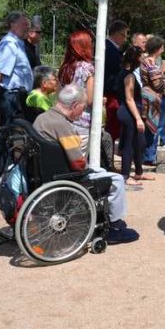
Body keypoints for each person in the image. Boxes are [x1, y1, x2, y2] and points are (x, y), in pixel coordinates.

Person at [33, 84, 139, 244]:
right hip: (67, 175)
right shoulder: (61, 125)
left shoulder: (42, 118)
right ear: (74, 105)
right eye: (82, 108)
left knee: (101, 170)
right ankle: (115, 228)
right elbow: (78, 162)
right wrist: (87, 168)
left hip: (45, 170)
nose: (82, 112)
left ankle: (110, 218)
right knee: (116, 180)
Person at [0, 11, 33, 180]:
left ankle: (7, 173)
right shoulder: (10, 45)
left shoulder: (17, 43)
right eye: (24, 24)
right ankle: (0, 175)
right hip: (8, 97)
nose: (28, 28)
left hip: (14, 97)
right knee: (6, 135)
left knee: (11, 134)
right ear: (13, 25)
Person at [116, 46, 153, 186]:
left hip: (132, 110)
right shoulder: (129, 76)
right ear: (136, 58)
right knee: (129, 143)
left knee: (140, 142)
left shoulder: (130, 73)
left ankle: (138, 172)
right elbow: (129, 98)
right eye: (141, 56)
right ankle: (125, 176)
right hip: (128, 111)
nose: (144, 59)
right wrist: (138, 118)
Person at [58, 30, 95, 154]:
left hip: (64, 119)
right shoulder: (87, 68)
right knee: (79, 159)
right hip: (82, 121)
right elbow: (90, 99)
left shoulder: (64, 68)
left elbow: (59, 95)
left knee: (66, 157)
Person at [141, 36, 165, 166]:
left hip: (152, 96)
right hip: (151, 98)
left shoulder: (149, 61)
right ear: (157, 48)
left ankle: (149, 155)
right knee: (152, 127)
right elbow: (157, 83)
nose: (163, 48)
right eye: (162, 46)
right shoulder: (150, 62)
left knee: (151, 126)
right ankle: (149, 157)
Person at [104, 20, 129, 146]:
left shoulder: (112, 49)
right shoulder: (110, 49)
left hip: (113, 92)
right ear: (116, 34)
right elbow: (112, 74)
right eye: (124, 35)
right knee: (112, 127)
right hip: (112, 92)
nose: (125, 39)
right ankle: (108, 157)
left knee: (114, 126)